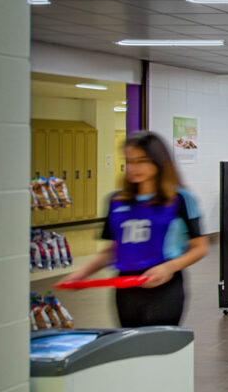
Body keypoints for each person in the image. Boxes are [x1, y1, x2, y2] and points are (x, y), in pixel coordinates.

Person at [66, 131, 208, 327]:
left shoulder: (180, 199)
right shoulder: (116, 201)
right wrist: (83, 272)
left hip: (164, 286)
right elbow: (115, 248)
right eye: (129, 161)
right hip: (126, 288)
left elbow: (200, 247)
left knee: (160, 346)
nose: (133, 168)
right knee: (130, 347)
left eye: (141, 161)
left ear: (158, 162)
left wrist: (169, 267)